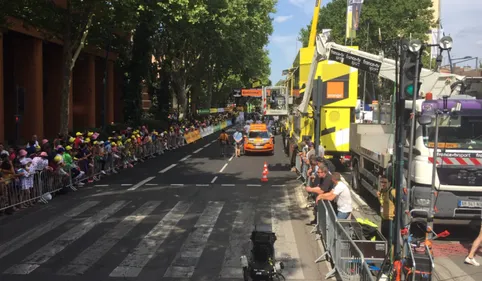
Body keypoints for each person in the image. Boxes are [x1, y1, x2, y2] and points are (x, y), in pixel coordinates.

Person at [377, 175, 396, 241]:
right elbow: (382, 204)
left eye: (385, 182)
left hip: (390, 220)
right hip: (383, 220)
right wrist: (379, 197)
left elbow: (400, 204)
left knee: (391, 241)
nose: (383, 184)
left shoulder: (392, 192)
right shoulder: (382, 192)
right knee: (384, 240)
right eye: (381, 182)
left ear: (389, 183)